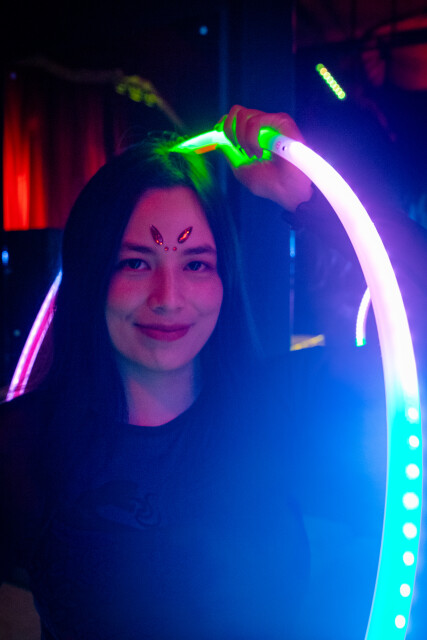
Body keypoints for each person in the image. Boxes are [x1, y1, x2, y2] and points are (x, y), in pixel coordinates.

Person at [0, 105, 426, 639]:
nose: (168, 298)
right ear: (90, 275)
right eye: (135, 262)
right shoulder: (24, 443)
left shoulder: (279, 409)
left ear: (225, 276)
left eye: (196, 263)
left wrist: (307, 197)